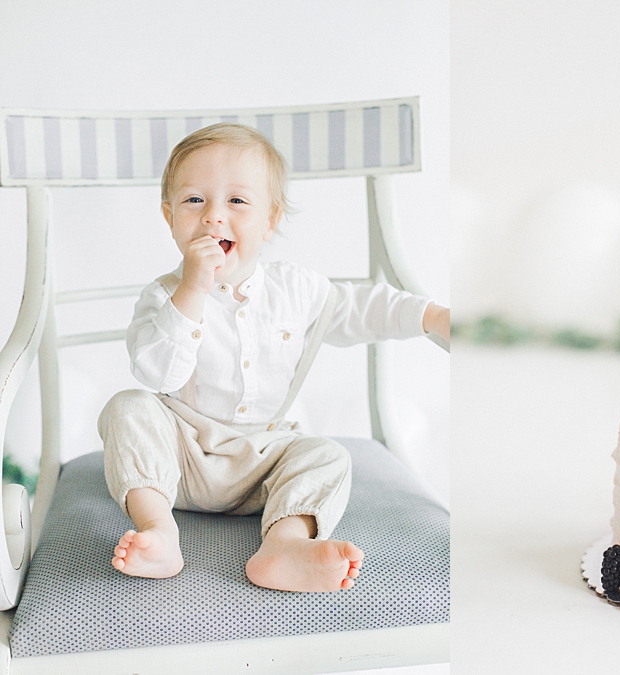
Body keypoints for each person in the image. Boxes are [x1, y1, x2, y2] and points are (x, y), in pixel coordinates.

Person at [97, 123, 450, 593]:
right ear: (169, 217)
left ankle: (282, 546)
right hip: (179, 460)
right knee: (127, 407)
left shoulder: (296, 289)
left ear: (271, 219)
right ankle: (159, 531)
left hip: (261, 462)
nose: (213, 217)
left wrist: (432, 315)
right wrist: (193, 289)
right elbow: (159, 372)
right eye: (194, 201)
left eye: (237, 202)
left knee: (327, 455)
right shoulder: (163, 296)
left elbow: (362, 307)